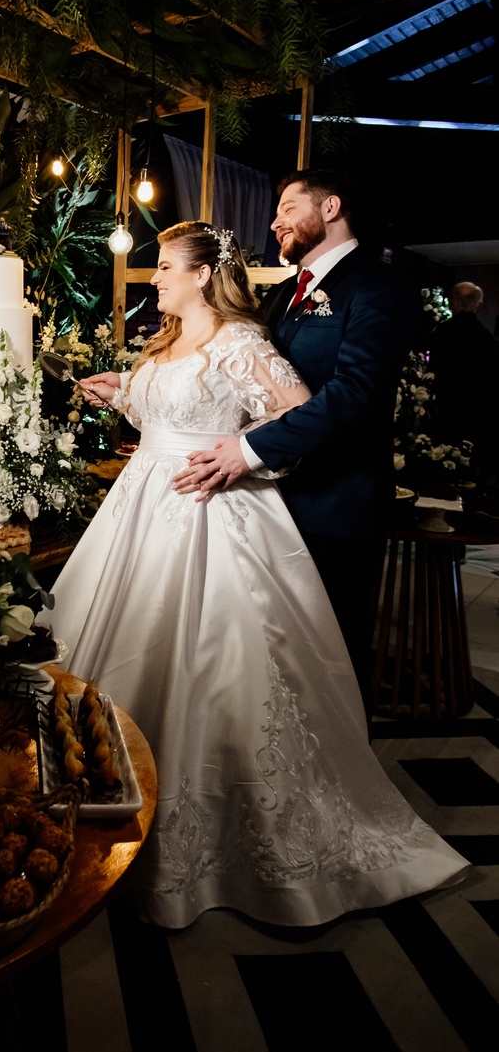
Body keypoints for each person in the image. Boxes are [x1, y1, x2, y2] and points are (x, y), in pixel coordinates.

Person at [51, 221, 467, 931]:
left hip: (208, 511)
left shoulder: (241, 340)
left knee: (213, 664)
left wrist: (238, 455)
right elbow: (168, 408)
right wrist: (122, 391)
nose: (156, 277)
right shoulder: (163, 341)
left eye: (166, 267)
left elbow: (295, 414)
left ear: (201, 276)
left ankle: (217, 828)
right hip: (137, 509)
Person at [176, 171, 413, 709]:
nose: (274, 222)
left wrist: (249, 451)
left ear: (330, 208)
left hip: (337, 505)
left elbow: (354, 393)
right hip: (268, 504)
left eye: (287, 207)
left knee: (331, 661)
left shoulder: (378, 286)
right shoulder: (284, 294)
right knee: (272, 656)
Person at [428, 281, 499, 471]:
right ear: (478, 304)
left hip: (444, 406)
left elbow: (433, 370)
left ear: (453, 302)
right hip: (475, 411)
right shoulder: (486, 338)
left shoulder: (442, 332)